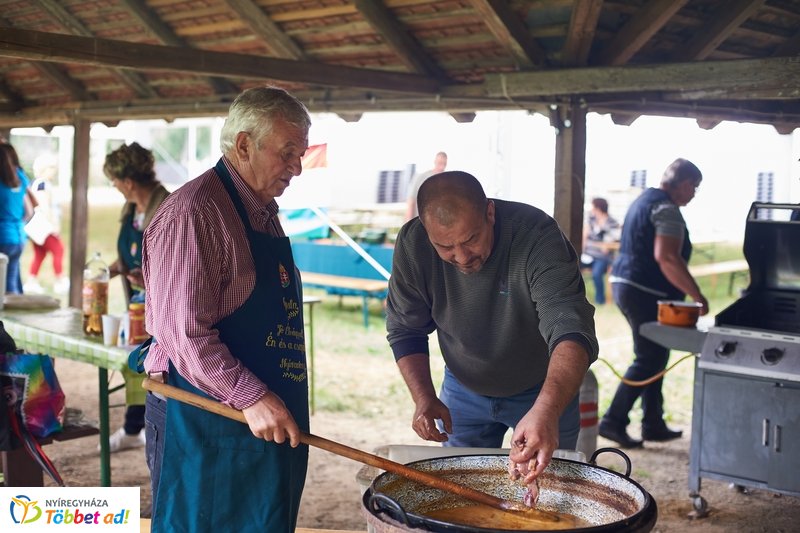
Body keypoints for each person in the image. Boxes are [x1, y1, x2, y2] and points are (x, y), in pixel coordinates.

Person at [140, 86, 311, 532]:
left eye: (302, 153)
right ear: (243, 145)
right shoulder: (195, 213)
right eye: (288, 152)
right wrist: (253, 397)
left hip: (266, 419)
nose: (297, 168)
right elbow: (185, 335)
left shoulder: (263, 212)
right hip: (205, 419)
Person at [386, 170, 598, 483]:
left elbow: (570, 326)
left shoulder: (537, 236)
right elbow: (406, 329)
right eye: (444, 246)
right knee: (460, 488)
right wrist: (424, 396)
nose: (461, 257)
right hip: (462, 385)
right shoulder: (413, 243)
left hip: (543, 386)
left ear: (489, 212)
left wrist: (548, 409)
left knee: (549, 485)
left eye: (471, 239)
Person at [600, 158, 709, 449]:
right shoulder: (667, 209)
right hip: (642, 290)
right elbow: (667, 257)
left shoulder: (644, 200)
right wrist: (697, 294)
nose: (694, 194)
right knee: (649, 357)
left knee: (656, 353)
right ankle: (613, 420)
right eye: (694, 188)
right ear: (684, 184)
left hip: (627, 284)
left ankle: (653, 422)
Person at [102, 142, 170, 453]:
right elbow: (129, 257)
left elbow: (177, 266)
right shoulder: (130, 210)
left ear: (127, 182)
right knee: (136, 361)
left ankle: (143, 428)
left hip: (164, 307)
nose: (113, 187)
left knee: (156, 366)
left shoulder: (167, 208)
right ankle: (135, 426)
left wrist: (149, 279)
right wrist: (105, 271)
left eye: (114, 182)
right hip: (137, 306)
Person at [24, 153, 69, 295]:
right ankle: (60, 280)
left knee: (40, 254)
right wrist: (53, 227)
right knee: (58, 250)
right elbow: (44, 207)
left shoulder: (36, 183)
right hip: (45, 227)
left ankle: (31, 281)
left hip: (39, 228)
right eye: (52, 168)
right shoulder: (42, 184)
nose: (54, 171)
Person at [0, 142, 35, 295]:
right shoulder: (18, 177)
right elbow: (30, 211)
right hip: (19, 237)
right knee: (11, 284)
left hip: (3, 238)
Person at [581, 197, 620, 305]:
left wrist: (601, 245)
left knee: (597, 273)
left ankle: (600, 300)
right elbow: (585, 236)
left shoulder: (612, 222)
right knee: (572, 269)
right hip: (587, 254)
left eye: (593, 206)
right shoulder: (591, 220)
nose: (591, 209)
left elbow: (612, 242)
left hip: (602, 257)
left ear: (598, 207)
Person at [405, 151, 447, 220]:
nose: (442, 167)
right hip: (419, 221)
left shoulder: (447, 181)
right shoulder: (421, 177)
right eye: (440, 163)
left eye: (444, 164)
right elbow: (411, 200)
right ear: (435, 161)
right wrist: (409, 223)